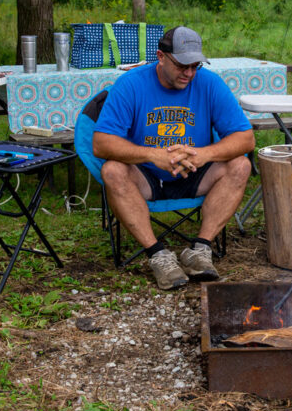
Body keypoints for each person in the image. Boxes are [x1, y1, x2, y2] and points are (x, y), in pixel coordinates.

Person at [93, 26, 255, 290]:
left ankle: (200, 250)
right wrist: (152, 155)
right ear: (160, 56)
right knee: (112, 170)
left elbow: (245, 139)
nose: (189, 73)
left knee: (241, 164)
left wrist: (205, 154)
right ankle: (157, 254)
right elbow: (101, 143)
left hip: (194, 172)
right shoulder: (131, 84)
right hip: (146, 176)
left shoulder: (209, 83)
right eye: (182, 66)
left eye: (195, 66)